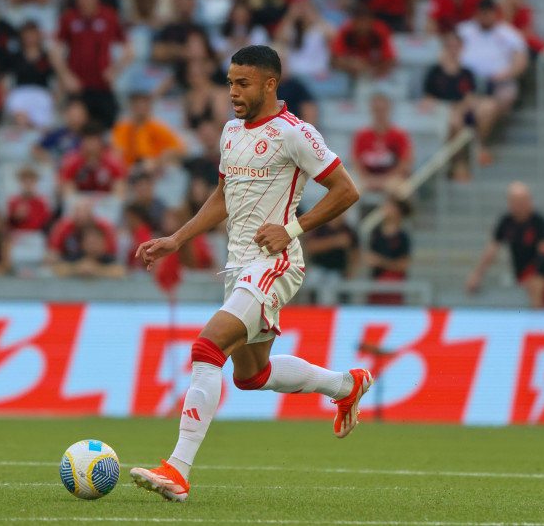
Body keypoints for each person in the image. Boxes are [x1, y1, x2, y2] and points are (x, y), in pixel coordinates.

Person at [129, 45, 368, 502]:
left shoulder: (296, 133)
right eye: (230, 82)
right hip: (238, 265)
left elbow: (346, 190)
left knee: (206, 346)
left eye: (243, 83)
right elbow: (223, 195)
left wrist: (292, 228)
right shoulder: (231, 130)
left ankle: (177, 470)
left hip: (275, 264)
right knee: (250, 376)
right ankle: (346, 385)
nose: (233, 92)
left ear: (270, 84)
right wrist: (178, 239)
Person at [457, 0, 528, 166]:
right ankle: (476, 146)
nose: (486, 17)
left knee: (492, 105)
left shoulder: (507, 33)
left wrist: (505, 74)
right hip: (468, 83)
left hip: (498, 82)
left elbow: (521, 61)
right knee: (461, 111)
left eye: (489, 13)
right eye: (482, 13)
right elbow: (449, 53)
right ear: (477, 14)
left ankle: (473, 145)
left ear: (495, 14)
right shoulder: (464, 30)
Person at [51, 0, 133, 127]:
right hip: (78, 87)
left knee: (106, 127)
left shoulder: (109, 16)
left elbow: (129, 50)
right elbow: (55, 51)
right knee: (77, 126)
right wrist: (66, 76)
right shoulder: (69, 17)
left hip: (102, 85)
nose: (84, 2)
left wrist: (115, 69)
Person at [466, 181, 544, 297]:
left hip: (539, 275)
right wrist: (477, 274)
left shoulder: (539, 221)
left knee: (536, 287)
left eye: (521, 201)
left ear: (529, 201)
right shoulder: (506, 222)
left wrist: (534, 275)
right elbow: (492, 250)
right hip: (520, 274)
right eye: (514, 202)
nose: (518, 206)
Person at [422, 32, 477, 181]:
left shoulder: (466, 73)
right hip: (439, 111)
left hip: (460, 112)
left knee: (457, 119)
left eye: (456, 46)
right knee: (453, 120)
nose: (453, 50)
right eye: (449, 46)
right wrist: (447, 108)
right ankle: (458, 164)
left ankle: (458, 162)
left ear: (461, 48)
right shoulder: (435, 72)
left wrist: (458, 108)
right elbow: (428, 98)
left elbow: (470, 97)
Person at [351, 93, 413, 196]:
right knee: (348, 190)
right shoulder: (362, 135)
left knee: (403, 191)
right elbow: (356, 162)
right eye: (376, 109)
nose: (379, 113)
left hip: (392, 178)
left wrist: (383, 180)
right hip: (367, 179)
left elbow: (405, 164)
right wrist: (368, 178)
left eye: (382, 109)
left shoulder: (399, 135)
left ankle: (393, 212)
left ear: (389, 109)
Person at [46, 199, 123, 278]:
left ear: (103, 243)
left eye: (96, 242)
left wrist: (96, 269)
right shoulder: (76, 256)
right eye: (90, 242)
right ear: (83, 244)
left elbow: (120, 271)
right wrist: (78, 268)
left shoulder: (107, 258)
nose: (93, 246)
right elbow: (59, 269)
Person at [112, 91, 186, 168]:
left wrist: (160, 160)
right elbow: (117, 150)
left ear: (150, 106)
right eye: (138, 105)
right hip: (128, 168)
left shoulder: (158, 127)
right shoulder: (122, 127)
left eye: (145, 104)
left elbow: (180, 149)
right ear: (132, 106)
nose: (142, 108)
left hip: (153, 168)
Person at [60, 122, 126, 199]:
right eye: (88, 140)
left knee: (120, 188)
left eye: (94, 141)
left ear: (100, 142)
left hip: (105, 202)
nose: (91, 145)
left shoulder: (113, 160)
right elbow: (65, 186)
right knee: (68, 188)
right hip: (80, 203)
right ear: (82, 142)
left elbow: (120, 185)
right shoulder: (72, 160)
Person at [366, 196, 412, 305]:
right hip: (376, 286)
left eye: (389, 207)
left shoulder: (402, 237)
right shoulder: (375, 234)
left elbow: (404, 265)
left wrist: (381, 262)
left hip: (394, 288)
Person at [330, 4, 396, 79]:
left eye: (365, 23)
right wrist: (351, 63)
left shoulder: (380, 31)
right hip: (351, 73)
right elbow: (334, 60)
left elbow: (391, 61)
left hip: (375, 74)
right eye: (359, 23)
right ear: (353, 21)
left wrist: (368, 68)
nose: (362, 27)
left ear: (372, 21)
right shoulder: (346, 30)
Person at [7, 167, 51, 231]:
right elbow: (8, 224)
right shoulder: (13, 201)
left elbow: (45, 223)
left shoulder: (42, 202)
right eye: (25, 181)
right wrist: (16, 218)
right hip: (17, 234)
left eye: (31, 181)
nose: (28, 185)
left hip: (36, 235)